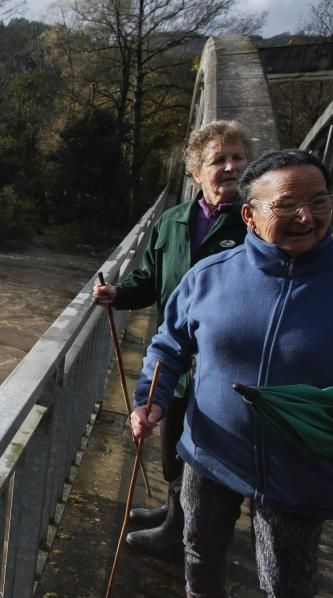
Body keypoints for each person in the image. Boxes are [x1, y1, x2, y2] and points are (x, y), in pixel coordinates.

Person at [129, 149, 333, 598]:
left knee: (286, 580)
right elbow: (169, 345)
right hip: (210, 448)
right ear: (250, 214)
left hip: (300, 466)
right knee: (199, 544)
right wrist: (149, 399)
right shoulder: (210, 276)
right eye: (287, 206)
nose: (307, 217)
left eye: (319, 202)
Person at [92, 120, 250, 560]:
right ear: (195, 172)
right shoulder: (172, 220)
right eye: (219, 159)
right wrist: (118, 294)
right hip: (175, 361)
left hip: (224, 368)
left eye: (238, 157)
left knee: (204, 456)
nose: (232, 166)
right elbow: (151, 280)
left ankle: (181, 533)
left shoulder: (256, 223)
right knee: (172, 446)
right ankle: (171, 512)